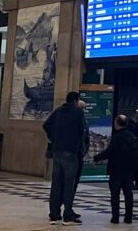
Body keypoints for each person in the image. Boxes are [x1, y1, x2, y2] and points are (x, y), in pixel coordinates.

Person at [44, 91, 87, 225]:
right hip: (70, 151)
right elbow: (81, 130)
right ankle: (67, 215)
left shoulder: (58, 111)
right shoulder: (78, 113)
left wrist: (54, 138)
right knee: (69, 183)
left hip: (57, 151)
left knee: (56, 183)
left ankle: (54, 214)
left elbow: (46, 125)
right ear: (75, 100)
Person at [94, 114, 138, 224]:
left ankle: (115, 217)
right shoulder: (132, 136)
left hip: (116, 170)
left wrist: (97, 157)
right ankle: (128, 217)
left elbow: (110, 152)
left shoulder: (117, 137)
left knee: (115, 195)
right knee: (128, 194)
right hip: (129, 170)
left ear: (116, 123)